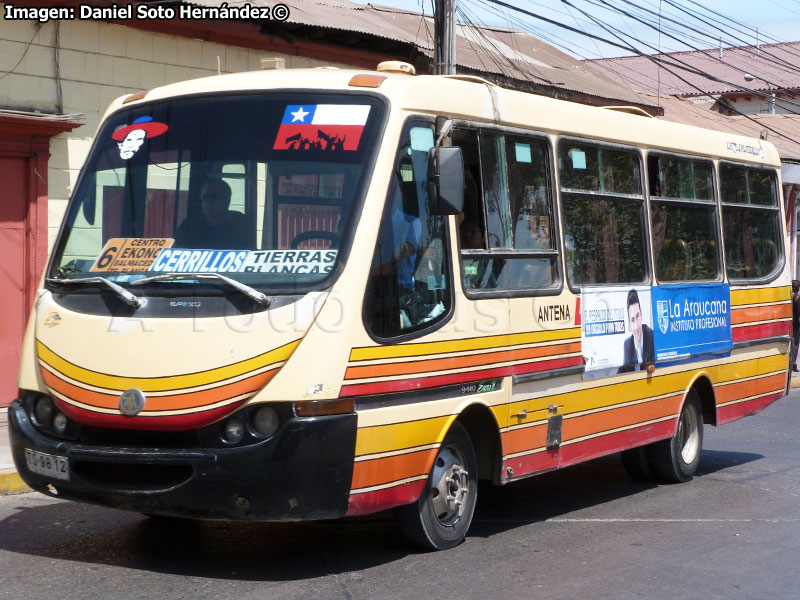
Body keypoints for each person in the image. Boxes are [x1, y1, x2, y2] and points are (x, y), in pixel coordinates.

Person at [174, 178, 253, 249]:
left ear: (227, 200)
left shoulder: (239, 224)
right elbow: (175, 250)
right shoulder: (189, 226)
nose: (209, 202)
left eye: (215, 197)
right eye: (205, 197)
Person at [618, 289, 655, 373]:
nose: (636, 325)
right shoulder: (627, 344)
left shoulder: (652, 337)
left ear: (641, 313)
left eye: (638, 316)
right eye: (632, 320)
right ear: (629, 323)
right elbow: (623, 370)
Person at [792, 280, 800, 372]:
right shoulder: (798, 298)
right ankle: (793, 363)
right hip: (796, 325)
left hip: (788, 323)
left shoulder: (788, 298)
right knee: (796, 344)